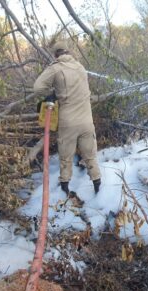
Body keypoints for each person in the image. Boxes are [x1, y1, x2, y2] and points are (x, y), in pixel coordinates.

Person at [33, 41, 101, 195]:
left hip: (68, 122)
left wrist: (53, 94)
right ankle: (98, 189)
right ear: (68, 52)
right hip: (87, 121)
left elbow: (37, 88)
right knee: (90, 157)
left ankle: (64, 191)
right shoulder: (80, 67)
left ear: (55, 54)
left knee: (66, 158)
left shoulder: (55, 68)